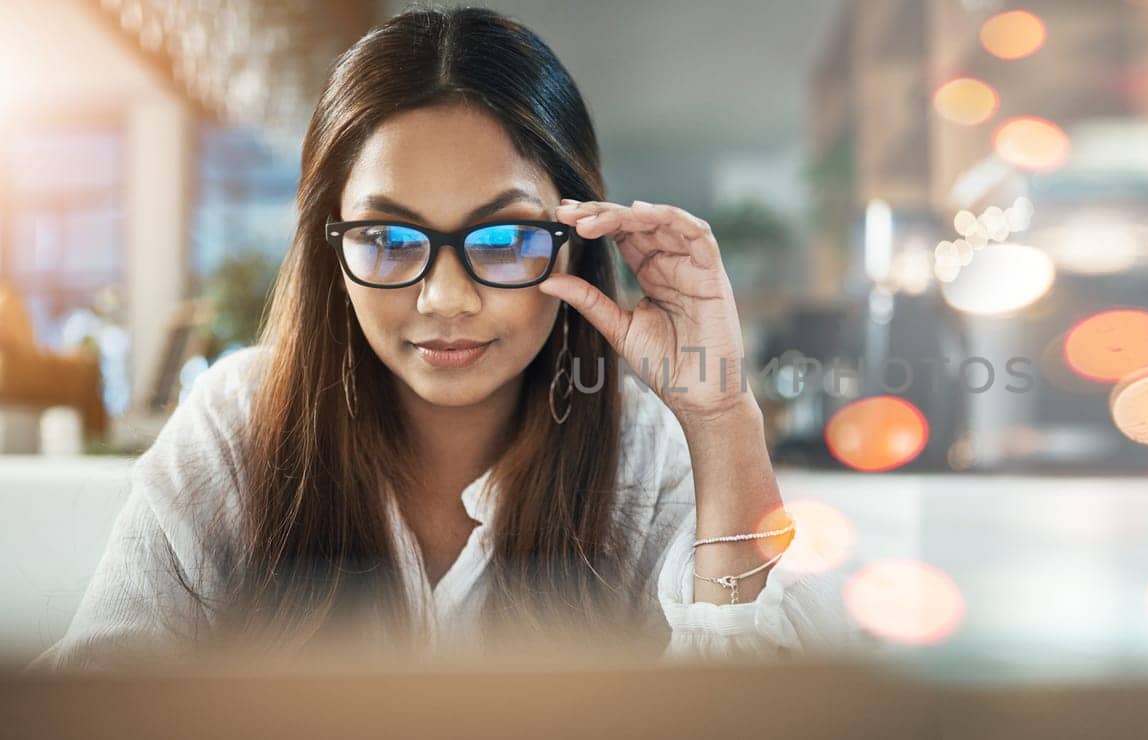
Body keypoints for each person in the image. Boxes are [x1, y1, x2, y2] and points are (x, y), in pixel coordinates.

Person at [34, 7, 858, 670]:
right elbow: (98, 700)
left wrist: (720, 416)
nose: (445, 298)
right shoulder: (238, 427)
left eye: (501, 242)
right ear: (334, 249)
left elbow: (777, 710)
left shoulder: (644, 455)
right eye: (390, 240)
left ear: (577, 238)